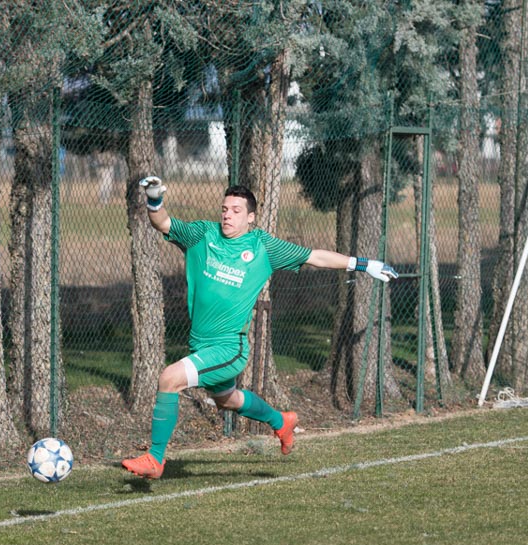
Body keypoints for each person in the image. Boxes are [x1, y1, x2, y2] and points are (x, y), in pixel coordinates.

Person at [121, 177, 399, 480]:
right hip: (201, 343)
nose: (228, 215)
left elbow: (315, 257)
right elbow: (162, 223)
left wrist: (364, 264)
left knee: (169, 378)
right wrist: (154, 199)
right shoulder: (203, 234)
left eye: (236, 210)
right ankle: (281, 421)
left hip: (230, 348)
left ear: (251, 217)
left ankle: (155, 458)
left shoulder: (263, 246)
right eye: (225, 209)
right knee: (227, 400)